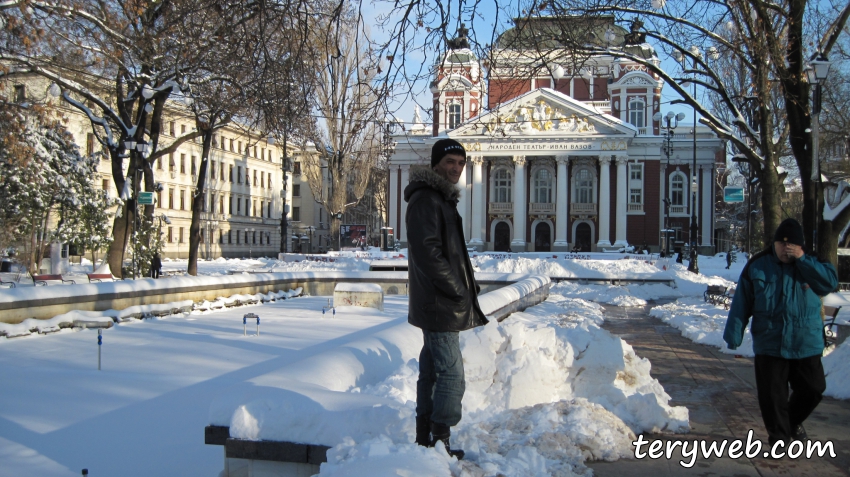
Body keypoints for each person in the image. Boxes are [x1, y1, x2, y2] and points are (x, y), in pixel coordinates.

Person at [404, 138, 488, 459]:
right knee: (452, 375)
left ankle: (425, 439)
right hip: (439, 303)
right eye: (450, 162)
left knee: (432, 372)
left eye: (461, 163)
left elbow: (444, 253)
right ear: (436, 163)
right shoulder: (428, 200)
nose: (456, 168)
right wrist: (456, 288)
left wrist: (465, 285)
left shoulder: (438, 198)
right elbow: (429, 254)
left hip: (435, 300)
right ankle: (440, 443)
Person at [723, 218, 837, 448]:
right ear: (773, 244)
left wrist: (803, 260)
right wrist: (734, 334)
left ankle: (791, 422)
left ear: (801, 246)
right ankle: (780, 440)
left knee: (813, 389)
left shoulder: (813, 262)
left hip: (806, 342)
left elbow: (829, 284)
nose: (786, 248)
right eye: (781, 244)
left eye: (791, 244)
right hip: (770, 342)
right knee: (772, 398)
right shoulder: (758, 265)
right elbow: (742, 302)